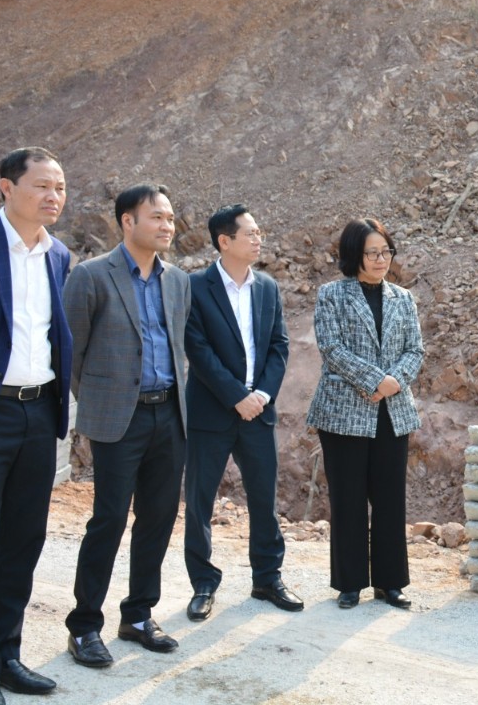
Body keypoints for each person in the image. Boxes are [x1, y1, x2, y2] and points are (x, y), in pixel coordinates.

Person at [63, 183, 190, 667]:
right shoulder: (92, 276)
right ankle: (84, 626)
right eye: (156, 216)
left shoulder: (177, 280)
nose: (166, 226)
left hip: (169, 415)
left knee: (157, 518)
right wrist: (101, 402)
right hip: (120, 418)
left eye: (171, 218)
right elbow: (71, 353)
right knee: (109, 519)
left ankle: (138, 615)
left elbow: (177, 348)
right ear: (127, 222)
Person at [0, 148, 72, 704]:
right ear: (6, 188)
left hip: (39, 411)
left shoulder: (58, 255)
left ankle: (8, 655)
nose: (53, 196)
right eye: (42, 185)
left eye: (59, 187)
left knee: (22, 537)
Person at [183, 204, 302, 621]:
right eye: (250, 233)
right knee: (199, 501)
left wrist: (263, 395)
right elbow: (197, 349)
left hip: (259, 412)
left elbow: (279, 346)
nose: (258, 239)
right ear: (224, 241)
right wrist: (236, 395)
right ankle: (203, 584)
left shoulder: (267, 287)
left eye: (259, 231)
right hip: (211, 413)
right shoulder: (195, 287)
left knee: (264, 499)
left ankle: (267, 578)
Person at [306, 218, 424, 610]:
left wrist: (393, 381)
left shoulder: (402, 298)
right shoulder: (331, 295)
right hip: (343, 412)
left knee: (390, 499)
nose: (380, 259)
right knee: (348, 497)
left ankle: (390, 583)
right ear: (354, 254)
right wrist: (375, 380)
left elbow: (415, 350)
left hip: (392, 410)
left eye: (385, 251)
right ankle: (349, 582)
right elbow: (332, 348)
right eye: (372, 252)